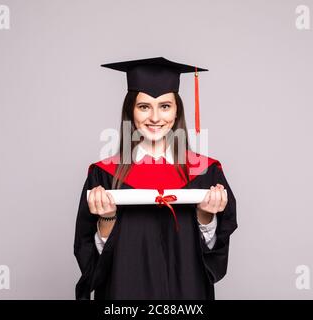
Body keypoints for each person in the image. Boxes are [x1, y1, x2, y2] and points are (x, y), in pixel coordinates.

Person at [74, 57, 238, 300]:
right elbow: (94, 264)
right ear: (130, 111)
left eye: (164, 106)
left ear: (177, 110)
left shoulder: (206, 172)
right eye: (144, 107)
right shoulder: (105, 174)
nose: (155, 117)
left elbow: (213, 258)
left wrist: (206, 216)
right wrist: (107, 218)